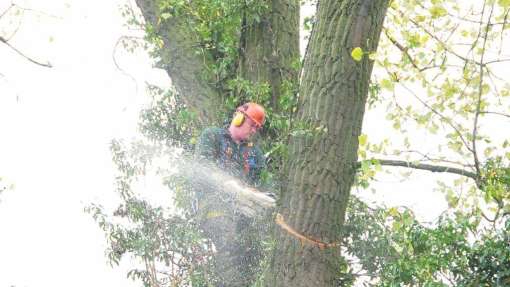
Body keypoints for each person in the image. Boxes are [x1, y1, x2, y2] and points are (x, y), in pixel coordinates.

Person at [194, 102, 267, 287]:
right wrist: (227, 184)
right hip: (214, 206)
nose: (253, 131)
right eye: (252, 125)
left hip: (242, 213)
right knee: (228, 247)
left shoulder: (254, 153)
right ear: (239, 117)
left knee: (252, 254)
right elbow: (202, 166)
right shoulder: (213, 136)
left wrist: (256, 198)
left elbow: (264, 183)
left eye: (257, 129)